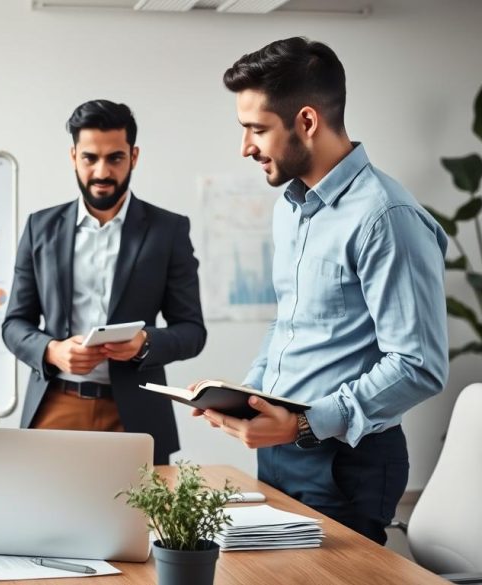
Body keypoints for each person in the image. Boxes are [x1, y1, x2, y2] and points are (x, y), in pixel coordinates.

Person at [191, 37, 449, 544]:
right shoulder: (291, 205)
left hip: (345, 464)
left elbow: (418, 364)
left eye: (257, 129)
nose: (246, 147)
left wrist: (303, 424)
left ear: (306, 122)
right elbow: (289, 320)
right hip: (282, 452)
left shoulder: (386, 217)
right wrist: (249, 397)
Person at [2, 99, 207, 465]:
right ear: (73, 156)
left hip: (136, 416)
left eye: (115, 158)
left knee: (136, 524)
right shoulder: (40, 228)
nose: (102, 171)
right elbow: (14, 324)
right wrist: (52, 351)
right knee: (43, 520)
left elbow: (192, 331)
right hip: (54, 407)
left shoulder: (168, 231)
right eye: (89, 158)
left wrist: (144, 342)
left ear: (134, 156)